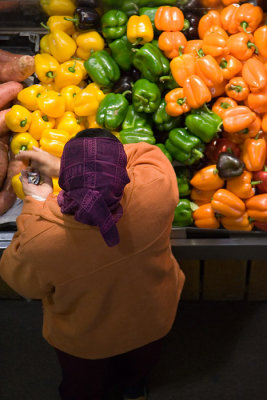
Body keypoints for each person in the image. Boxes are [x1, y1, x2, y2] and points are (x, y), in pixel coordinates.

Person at [0, 128, 185, 400]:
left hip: (85, 340)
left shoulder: (42, 241)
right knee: (139, 366)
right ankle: (134, 389)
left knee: (83, 385)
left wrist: (35, 203)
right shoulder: (155, 185)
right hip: (153, 318)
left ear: (65, 183)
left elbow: (20, 280)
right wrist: (72, 165)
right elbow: (146, 151)